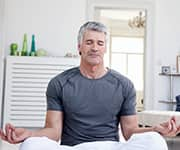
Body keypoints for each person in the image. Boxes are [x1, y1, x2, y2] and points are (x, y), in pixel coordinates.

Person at [0, 21, 180, 150]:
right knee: (30, 145)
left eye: (100, 43)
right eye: (89, 42)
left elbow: (129, 131)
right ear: (79, 47)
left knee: (155, 142)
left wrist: (156, 129)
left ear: (105, 48)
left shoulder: (124, 85)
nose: (94, 47)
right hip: (73, 147)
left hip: (110, 146)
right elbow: (54, 132)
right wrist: (28, 134)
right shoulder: (59, 83)